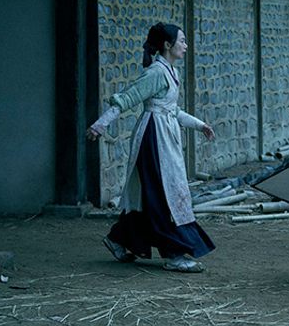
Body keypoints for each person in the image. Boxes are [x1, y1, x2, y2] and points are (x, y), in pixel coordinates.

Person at [86, 22, 216, 273]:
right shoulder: (156, 72)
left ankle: (118, 238)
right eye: (181, 41)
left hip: (164, 135)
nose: (185, 46)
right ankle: (174, 254)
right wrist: (101, 124)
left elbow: (172, 110)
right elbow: (128, 98)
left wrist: (200, 125)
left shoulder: (170, 71)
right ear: (167, 45)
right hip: (153, 138)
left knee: (153, 194)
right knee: (161, 194)